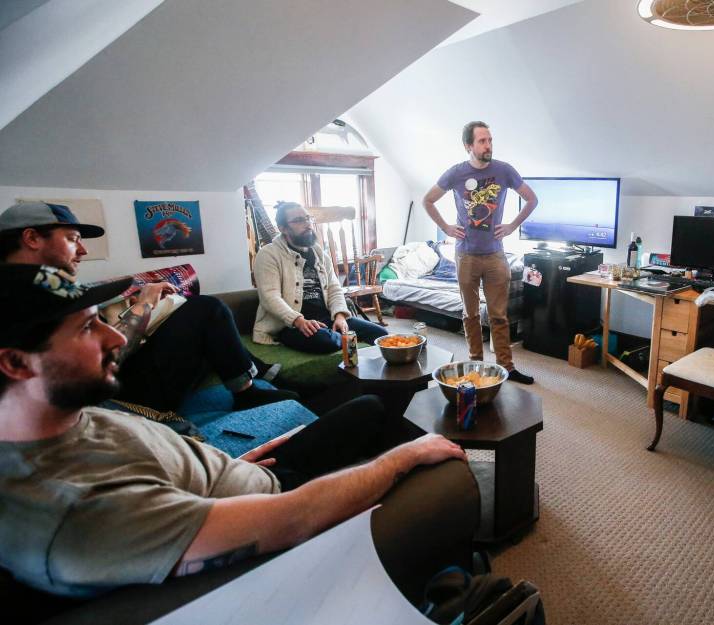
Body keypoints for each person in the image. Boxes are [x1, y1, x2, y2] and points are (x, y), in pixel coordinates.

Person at [0, 263, 474, 601]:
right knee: (410, 449)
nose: (118, 338)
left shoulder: (69, 412)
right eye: (87, 329)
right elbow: (290, 520)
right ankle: (435, 554)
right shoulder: (75, 514)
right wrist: (405, 458)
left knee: (369, 406)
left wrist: (221, 470)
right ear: (16, 362)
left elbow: (157, 470)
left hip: (246, 473)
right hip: (279, 502)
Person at [0, 201, 294, 412]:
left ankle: (259, 375)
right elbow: (107, 355)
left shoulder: (40, 286)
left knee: (203, 319)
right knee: (207, 310)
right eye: (72, 239)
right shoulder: (20, 299)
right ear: (32, 237)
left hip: (116, 377)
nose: (83, 250)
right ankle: (250, 388)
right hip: (115, 394)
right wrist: (143, 306)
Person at [423, 121, 539, 384]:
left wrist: (512, 226)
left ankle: (506, 368)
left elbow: (532, 199)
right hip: (465, 255)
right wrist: (446, 228)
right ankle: (476, 365)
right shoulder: (455, 173)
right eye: (482, 141)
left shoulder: (504, 170)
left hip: (496, 255)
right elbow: (427, 200)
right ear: (469, 146)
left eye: (490, 140)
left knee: (499, 316)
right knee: (471, 315)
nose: (488, 145)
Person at [252, 201, 388, 354]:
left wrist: (340, 315)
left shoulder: (320, 254)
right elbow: (269, 297)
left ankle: (343, 339)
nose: (307, 224)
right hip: (290, 325)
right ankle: (343, 341)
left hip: (326, 318)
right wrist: (298, 320)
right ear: (282, 228)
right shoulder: (268, 254)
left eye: (308, 218)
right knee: (328, 342)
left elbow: (334, 288)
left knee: (381, 335)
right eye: (298, 220)